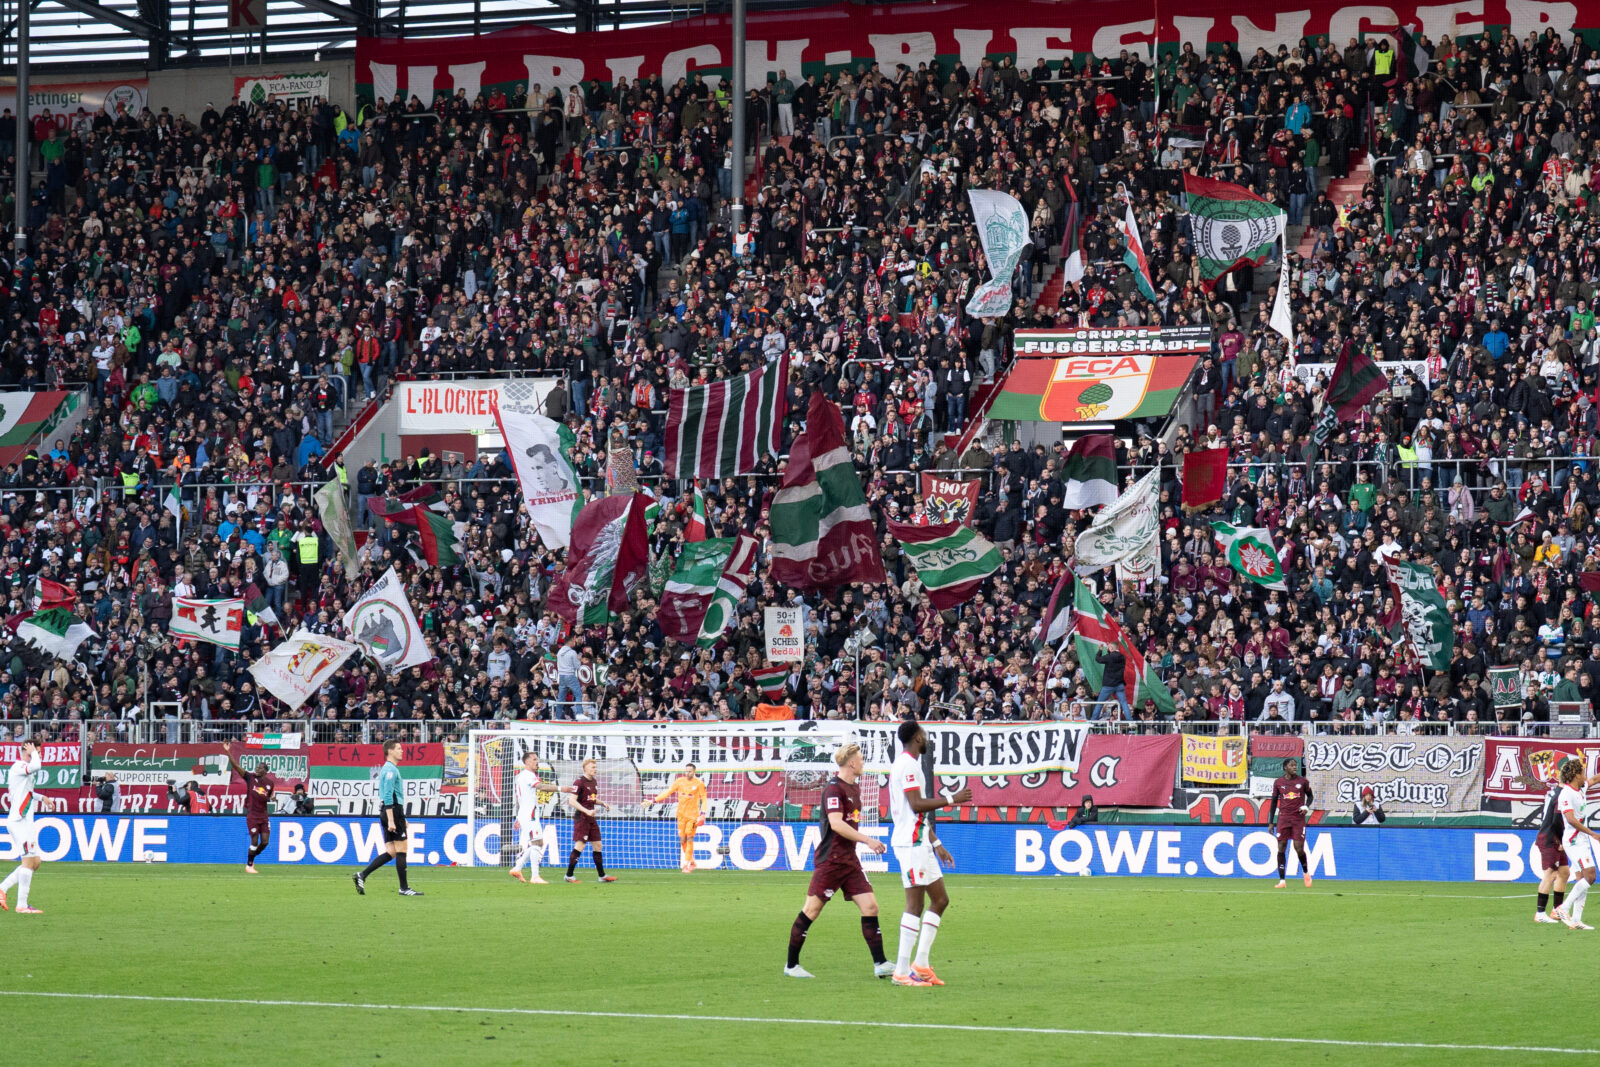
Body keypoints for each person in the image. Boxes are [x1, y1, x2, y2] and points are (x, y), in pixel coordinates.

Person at [784, 742, 891, 979]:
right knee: (811, 910)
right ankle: (791, 966)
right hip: (831, 860)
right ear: (851, 763)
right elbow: (836, 824)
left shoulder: (855, 788)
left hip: (849, 861)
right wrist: (868, 840)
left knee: (871, 906)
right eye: (861, 759)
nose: (863, 762)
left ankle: (881, 963)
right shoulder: (834, 789)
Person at [889, 721, 971, 987]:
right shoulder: (908, 765)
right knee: (914, 905)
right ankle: (901, 971)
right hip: (910, 844)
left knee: (941, 899)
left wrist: (936, 844)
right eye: (924, 734)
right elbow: (915, 805)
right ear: (916, 737)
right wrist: (951, 800)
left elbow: (918, 814)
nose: (927, 738)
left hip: (921, 842)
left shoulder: (907, 764)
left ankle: (921, 964)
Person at [353, 739, 422, 896]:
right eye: (398, 748)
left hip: (388, 811)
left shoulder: (388, 769)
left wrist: (400, 817)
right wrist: (393, 819)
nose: (402, 751)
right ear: (390, 751)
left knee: (391, 851)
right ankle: (404, 888)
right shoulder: (390, 770)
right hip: (392, 811)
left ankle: (362, 875)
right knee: (402, 849)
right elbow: (389, 795)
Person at [511, 751, 571, 884]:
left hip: (525, 812)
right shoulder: (528, 775)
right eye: (534, 759)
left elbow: (518, 798)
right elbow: (541, 786)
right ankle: (534, 876)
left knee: (538, 842)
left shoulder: (521, 776)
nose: (537, 762)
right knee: (536, 842)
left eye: (537, 759)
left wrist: (517, 816)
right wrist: (562, 788)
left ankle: (518, 867)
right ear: (527, 762)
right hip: (530, 813)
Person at [1554, 758, 1600, 930]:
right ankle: (1563, 908)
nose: (1585, 775)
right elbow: (1571, 820)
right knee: (1591, 876)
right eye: (1582, 772)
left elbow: (1595, 779)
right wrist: (1593, 834)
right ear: (1576, 774)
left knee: (1583, 879)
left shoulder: (1580, 788)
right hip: (1573, 841)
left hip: (1581, 840)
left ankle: (1576, 919)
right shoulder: (1566, 793)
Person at [0, 738, 44, 913]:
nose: (39, 756)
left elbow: (28, 792)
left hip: (26, 821)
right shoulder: (18, 767)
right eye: (37, 752)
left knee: (35, 862)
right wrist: (33, 753)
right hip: (19, 820)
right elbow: (36, 766)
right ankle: (22, 905)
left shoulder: (25, 771)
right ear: (28, 751)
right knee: (27, 861)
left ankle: (2, 888)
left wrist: (43, 798)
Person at [222, 741, 275, 873]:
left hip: (264, 816)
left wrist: (271, 798)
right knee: (255, 840)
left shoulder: (269, 784)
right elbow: (236, 765)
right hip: (252, 815)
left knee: (265, 842)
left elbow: (265, 797)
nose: (257, 769)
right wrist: (228, 752)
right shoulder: (250, 778)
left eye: (260, 768)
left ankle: (251, 856)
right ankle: (249, 865)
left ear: (265, 771)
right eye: (257, 767)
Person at [565, 758, 616, 883]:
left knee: (598, 845)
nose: (595, 769)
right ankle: (569, 875)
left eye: (596, 767)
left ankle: (602, 876)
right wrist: (586, 811)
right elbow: (571, 800)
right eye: (593, 767)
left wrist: (602, 803)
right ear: (585, 768)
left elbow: (591, 799)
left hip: (591, 817)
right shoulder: (579, 782)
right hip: (582, 817)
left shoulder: (594, 782)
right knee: (580, 845)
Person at [653, 762, 708, 874]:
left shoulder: (699, 784)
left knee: (689, 837)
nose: (687, 773)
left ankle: (686, 864)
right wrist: (653, 801)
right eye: (686, 771)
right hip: (681, 816)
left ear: (694, 772)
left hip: (693, 816)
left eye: (690, 771)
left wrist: (703, 813)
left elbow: (704, 799)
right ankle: (692, 862)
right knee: (682, 840)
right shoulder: (679, 782)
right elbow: (668, 793)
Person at [1534, 766, 1572, 924]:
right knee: (1551, 874)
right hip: (1551, 838)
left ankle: (1557, 910)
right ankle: (1540, 913)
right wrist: (1562, 840)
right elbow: (1557, 820)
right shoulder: (1561, 795)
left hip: (1552, 836)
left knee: (1564, 873)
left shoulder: (1556, 792)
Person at [1269, 757, 1314, 888]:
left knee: (1298, 848)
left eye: (1296, 765)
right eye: (1292, 765)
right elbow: (1273, 802)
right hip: (1283, 818)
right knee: (1281, 846)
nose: (1295, 767)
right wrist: (1271, 822)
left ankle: (1306, 873)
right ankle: (1282, 880)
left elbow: (1310, 796)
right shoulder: (1278, 782)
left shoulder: (1303, 782)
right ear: (1285, 768)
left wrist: (1307, 806)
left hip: (1298, 819)